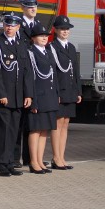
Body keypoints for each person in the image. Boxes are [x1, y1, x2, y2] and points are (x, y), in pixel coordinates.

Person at [0, 13, 33, 177]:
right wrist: (0, 93)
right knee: (2, 131)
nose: (9, 27)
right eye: (7, 25)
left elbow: (26, 71)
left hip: (18, 96)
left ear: (18, 27)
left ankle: (9, 162)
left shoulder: (21, 45)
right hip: (4, 97)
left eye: (13, 25)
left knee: (13, 131)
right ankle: (0, 164)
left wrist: (28, 94)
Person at [49, 16, 81, 170]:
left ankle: (62, 156)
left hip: (70, 90)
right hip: (59, 91)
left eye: (67, 29)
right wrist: (55, 92)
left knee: (66, 123)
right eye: (62, 29)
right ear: (55, 30)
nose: (65, 31)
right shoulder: (52, 47)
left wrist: (78, 91)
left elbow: (75, 71)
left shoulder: (71, 48)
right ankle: (56, 158)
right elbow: (52, 73)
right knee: (57, 124)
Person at [26, 24, 59, 174]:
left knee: (44, 130)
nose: (44, 38)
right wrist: (33, 99)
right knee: (35, 129)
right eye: (41, 35)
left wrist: (56, 94)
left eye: (46, 36)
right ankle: (33, 161)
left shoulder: (48, 52)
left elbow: (54, 74)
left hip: (49, 95)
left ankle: (40, 160)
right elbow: (30, 78)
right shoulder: (31, 53)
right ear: (33, 38)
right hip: (39, 96)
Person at [16, 0, 41, 167]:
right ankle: (14, 157)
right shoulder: (18, 24)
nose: (33, 9)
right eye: (29, 6)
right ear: (23, 8)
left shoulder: (38, 25)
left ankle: (29, 157)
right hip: (21, 70)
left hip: (34, 72)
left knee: (30, 122)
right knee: (18, 123)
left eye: (35, 6)